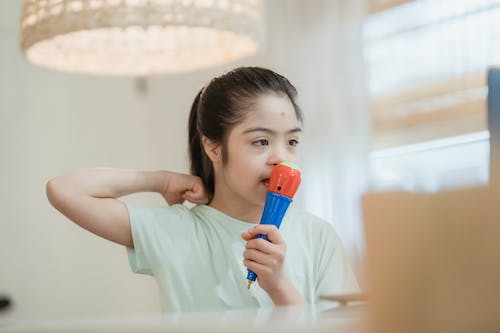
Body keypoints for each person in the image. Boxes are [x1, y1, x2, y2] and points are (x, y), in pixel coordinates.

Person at [46, 67, 359, 313]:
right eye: (261, 141)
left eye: (292, 141)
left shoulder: (319, 237)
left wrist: (278, 286)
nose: (281, 158)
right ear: (212, 146)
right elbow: (64, 189)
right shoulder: (174, 230)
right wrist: (161, 181)